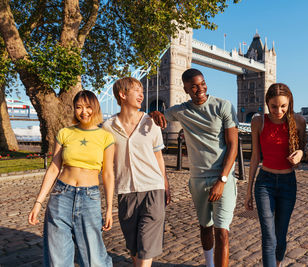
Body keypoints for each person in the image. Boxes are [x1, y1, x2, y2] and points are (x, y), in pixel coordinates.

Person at [151, 68, 238, 267]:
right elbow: (158, 116)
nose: (200, 89)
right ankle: (209, 264)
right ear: (186, 89)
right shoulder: (180, 111)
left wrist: (222, 180)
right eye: (194, 86)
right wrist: (154, 112)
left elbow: (233, 145)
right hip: (197, 179)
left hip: (222, 178)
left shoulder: (223, 106)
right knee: (205, 227)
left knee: (222, 231)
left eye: (202, 83)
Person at [28, 90, 114, 267]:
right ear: (74, 109)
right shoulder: (65, 133)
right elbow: (54, 168)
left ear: (95, 108)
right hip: (61, 195)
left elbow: (108, 174)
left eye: (88, 107)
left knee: (94, 258)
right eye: (79, 107)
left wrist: (109, 209)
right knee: (57, 257)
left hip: (90, 198)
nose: (84, 112)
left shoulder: (105, 137)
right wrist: (38, 203)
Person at [102, 77, 170, 267]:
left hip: (153, 189)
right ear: (122, 95)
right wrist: (108, 206)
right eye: (136, 91)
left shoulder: (152, 122)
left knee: (146, 247)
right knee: (134, 249)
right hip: (126, 192)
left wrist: (166, 185)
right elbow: (107, 168)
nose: (142, 95)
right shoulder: (108, 128)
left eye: (142, 91)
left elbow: (159, 158)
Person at [244, 83, 306, 267]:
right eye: (274, 106)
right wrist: (248, 191)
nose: (278, 110)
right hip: (265, 183)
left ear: (290, 104)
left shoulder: (299, 122)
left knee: (281, 234)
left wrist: (301, 154)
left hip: (288, 183)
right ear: (267, 104)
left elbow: (304, 152)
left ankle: (277, 263)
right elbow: (255, 157)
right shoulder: (258, 121)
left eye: (283, 106)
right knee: (269, 236)